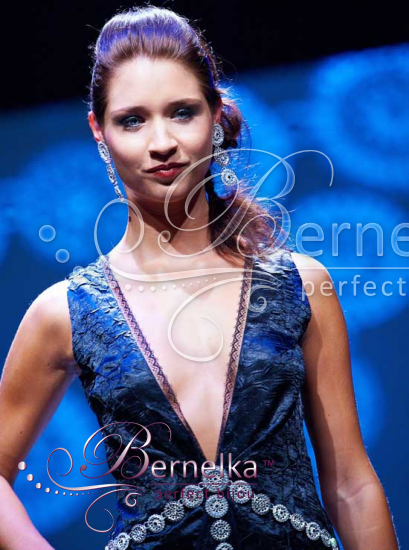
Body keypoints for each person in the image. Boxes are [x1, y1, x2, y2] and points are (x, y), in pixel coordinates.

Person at [0, 5, 400, 550]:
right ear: (99, 131)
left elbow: (351, 484)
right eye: (132, 120)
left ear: (216, 115)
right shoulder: (65, 311)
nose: (161, 141)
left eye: (182, 112)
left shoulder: (301, 285)